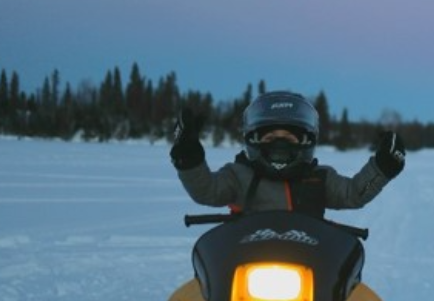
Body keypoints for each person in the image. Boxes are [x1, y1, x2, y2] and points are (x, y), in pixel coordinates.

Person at [169, 90, 405, 216]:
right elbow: (206, 191)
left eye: (289, 138)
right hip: (244, 264)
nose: (279, 144)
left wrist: (382, 167)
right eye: (270, 138)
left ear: (306, 140)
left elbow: (353, 194)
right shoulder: (238, 175)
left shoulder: (320, 178)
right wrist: (188, 158)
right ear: (254, 139)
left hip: (310, 267)